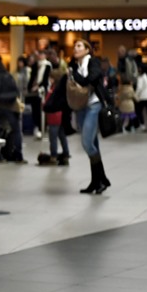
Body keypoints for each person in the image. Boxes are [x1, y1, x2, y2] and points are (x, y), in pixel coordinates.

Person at [69, 39, 111, 194]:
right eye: (74, 46)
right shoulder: (75, 66)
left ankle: (101, 179)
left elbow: (91, 79)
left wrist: (76, 77)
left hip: (94, 105)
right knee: (94, 145)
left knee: (87, 143)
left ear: (87, 50)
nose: (75, 49)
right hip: (82, 108)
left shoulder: (92, 62)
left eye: (79, 46)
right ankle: (98, 181)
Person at [0, 56, 26, 164]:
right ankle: (18, 155)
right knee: (16, 130)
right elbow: (16, 91)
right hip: (11, 106)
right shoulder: (9, 75)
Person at [38, 69, 70, 166]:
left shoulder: (54, 89)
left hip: (53, 117)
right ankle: (66, 155)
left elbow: (49, 102)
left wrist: (44, 105)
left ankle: (53, 156)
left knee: (53, 138)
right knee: (62, 136)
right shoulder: (60, 88)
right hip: (60, 116)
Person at [26, 49, 52, 139]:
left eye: (42, 55)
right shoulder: (35, 65)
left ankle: (42, 127)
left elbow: (45, 79)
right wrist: (30, 88)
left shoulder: (47, 65)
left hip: (42, 90)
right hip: (34, 90)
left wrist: (38, 86)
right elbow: (32, 77)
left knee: (41, 109)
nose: (41, 56)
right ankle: (37, 126)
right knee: (35, 109)